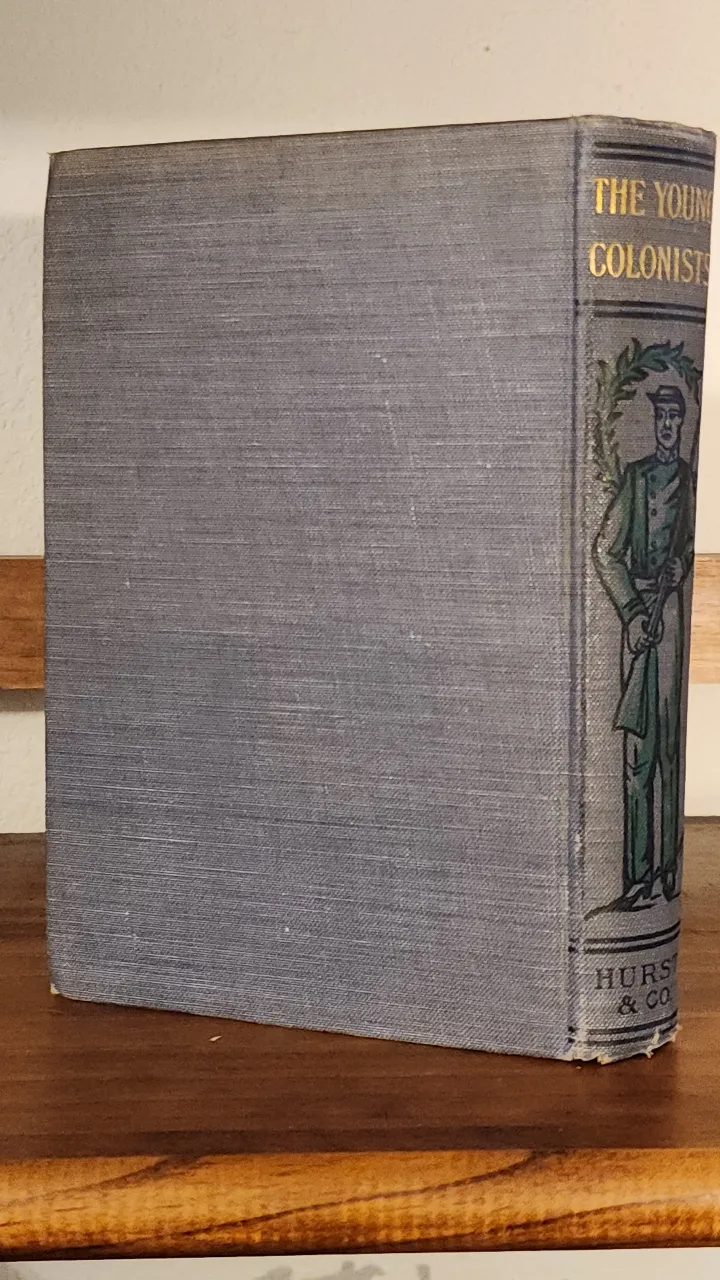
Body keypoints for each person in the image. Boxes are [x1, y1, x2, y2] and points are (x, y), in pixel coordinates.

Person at [593, 384, 695, 907]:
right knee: (638, 751)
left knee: (671, 745)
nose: (668, 426)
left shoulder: (690, 480)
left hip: (672, 619)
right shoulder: (634, 479)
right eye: (661, 417)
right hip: (638, 622)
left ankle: (669, 873)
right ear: (653, 422)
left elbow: (691, 544)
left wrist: (684, 565)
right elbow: (605, 551)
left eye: (675, 417)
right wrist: (632, 611)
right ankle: (636, 877)